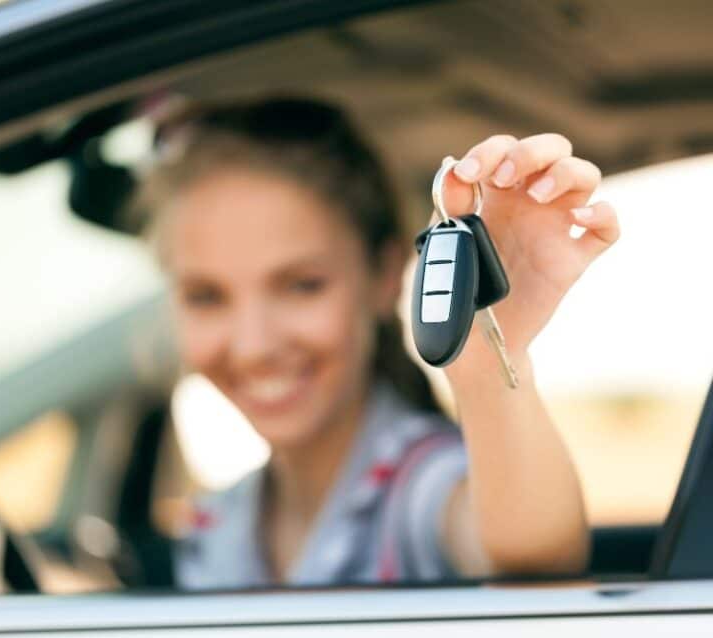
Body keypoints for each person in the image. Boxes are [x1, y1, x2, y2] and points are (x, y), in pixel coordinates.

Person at [135, 96, 619, 588]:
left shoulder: (422, 485)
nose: (253, 345)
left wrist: (486, 349)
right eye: (206, 296)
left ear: (384, 275)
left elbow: (535, 557)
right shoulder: (216, 521)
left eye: (303, 285)